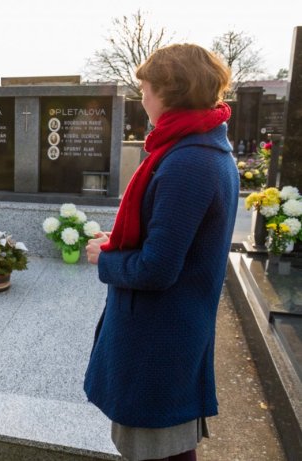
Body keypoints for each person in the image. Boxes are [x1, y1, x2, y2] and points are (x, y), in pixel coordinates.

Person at [83, 44, 238, 461]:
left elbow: (157, 268)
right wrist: (117, 241)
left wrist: (107, 259)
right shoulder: (199, 148)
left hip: (160, 341)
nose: (143, 100)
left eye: (147, 90)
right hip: (169, 333)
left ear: (171, 92)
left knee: (159, 451)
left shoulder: (189, 162)